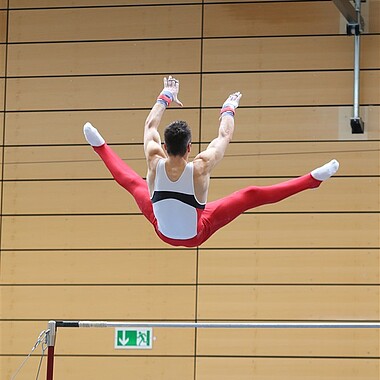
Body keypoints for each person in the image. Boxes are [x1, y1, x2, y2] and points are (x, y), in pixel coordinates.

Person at [83, 75, 339, 247]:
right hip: (196, 234)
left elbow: (150, 124)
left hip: (162, 231)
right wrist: (229, 107)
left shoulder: (153, 157)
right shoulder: (201, 167)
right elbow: (224, 135)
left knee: (131, 182)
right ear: (190, 148)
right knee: (249, 196)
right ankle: (311, 181)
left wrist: (167, 94)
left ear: (164, 146)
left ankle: (99, 146)